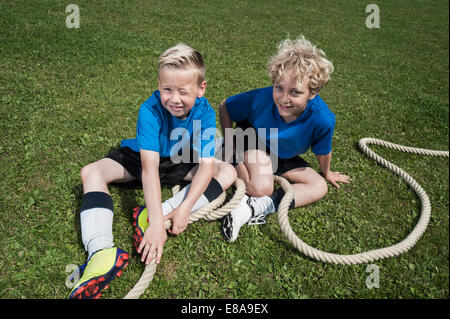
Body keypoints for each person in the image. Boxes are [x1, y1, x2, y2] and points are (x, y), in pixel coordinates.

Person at [68, 43, 237, 299]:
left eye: (183, 91)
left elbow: (206, 166)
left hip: (179, 159)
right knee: (91, 172)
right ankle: (101, 251)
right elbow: (149, 169)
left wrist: (183, 209)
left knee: (227, 172)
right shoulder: (149, 109)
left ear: (201, 89)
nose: (174, 98)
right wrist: (158, 226)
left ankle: (156, 211)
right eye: (167, 89)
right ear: (159, 84)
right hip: (142, 159)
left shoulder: (206, 112)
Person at [219, 36, 350, 242]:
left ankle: (256, 207)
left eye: (295, 92)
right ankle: (231, 162)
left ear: (312, 93)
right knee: (260, 187)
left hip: (284, 153)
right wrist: (230, 146)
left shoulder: (322, 119)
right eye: (279, 88)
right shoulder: (260, 98)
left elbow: (323, 149)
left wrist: (326, 172)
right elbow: (225, 106)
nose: (284, 98)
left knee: (319, 186)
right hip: (255, 139)